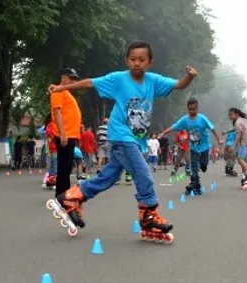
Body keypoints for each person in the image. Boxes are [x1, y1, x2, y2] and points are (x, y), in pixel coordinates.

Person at [47, 41, 197, 239]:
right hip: (120, 135)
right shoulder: (118, 79)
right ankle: (148, 214)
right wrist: (60, 88)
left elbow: (179, 85)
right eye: (133, 59)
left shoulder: (153, 81)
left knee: (108, 177)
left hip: (135, 139)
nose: (137, 63)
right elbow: (90, 82)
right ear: (127, 61)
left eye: (142, 60)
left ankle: (72, 197)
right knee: (143, 172)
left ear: (149, 62)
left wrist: (190, 76)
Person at [158, 98, 223, 195]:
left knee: (203, 165)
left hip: (205, 145)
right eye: (190, 109)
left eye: (194, 109)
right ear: (188, 109)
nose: (192, 111)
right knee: (193, 164)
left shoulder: (202, 118)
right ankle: (195, 182)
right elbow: (174, 126)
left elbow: (212, 128)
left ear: (197, 108)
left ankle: (202, 169)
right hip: (193, 147)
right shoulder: (185, 120)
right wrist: (163, 133)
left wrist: (219, 139)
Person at [49, 68, 82, 197]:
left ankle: (63, 193)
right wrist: (62, 133)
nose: (74, 81)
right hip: (64, 134)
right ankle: (61, 194)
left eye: (75, 79)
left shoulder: (65, 92)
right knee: (64, 165)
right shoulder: (58, 91)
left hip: (70, 134)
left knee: (67, 165)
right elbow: (57, 112)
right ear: (64, 78)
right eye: (71, 78)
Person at [227, 108, 247, 188]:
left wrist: (233, 146)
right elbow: (235, 129)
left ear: (236, 114)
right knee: (241, 160)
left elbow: (238, 135)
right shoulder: (239, 121)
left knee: (240, 160)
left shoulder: (238, 122)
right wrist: (227, 131)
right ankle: (245, 179)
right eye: (229, 115)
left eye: (231, 114)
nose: (230, 116)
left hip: (245, 143)